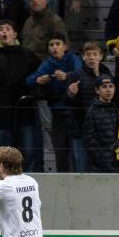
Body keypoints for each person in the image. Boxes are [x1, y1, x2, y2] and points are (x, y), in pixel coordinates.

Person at [0, 20, 41, 171]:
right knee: (3, 159)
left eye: (8, 29)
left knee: (28, 156)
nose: (4, 32)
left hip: (25, 115)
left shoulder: (28, 55)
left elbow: (39, 78)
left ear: (15, 34)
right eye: (1, 29)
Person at [26, 32, 81, 173]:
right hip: (56, 113)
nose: (54, 48)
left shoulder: (73, 59)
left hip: (75, 112)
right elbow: (29, 80)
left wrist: (67, 76)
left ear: (65, 47)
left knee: (75, 152)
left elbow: (81, 74)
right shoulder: (47, 63)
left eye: (57, 44)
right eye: (51, 45)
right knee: (60, 151)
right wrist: (38, 80)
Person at [65, 41, 114, 172]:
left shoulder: (107, 75)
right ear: (83, 57)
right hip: (81, 130)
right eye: (88, 54)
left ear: (100, 56)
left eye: (94, 54)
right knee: (82, 167)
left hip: (103, 132)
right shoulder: (76, 76)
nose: (92, 57)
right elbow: (67, 103)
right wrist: (70, 94)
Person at [83, 74, 119, 173]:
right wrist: (103, 161)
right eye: (104, 87)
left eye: (111, 86)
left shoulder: (118, 110)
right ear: (97, 90)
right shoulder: (92, 111)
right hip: (99, 167)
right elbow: (90, 142)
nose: (108, 90)